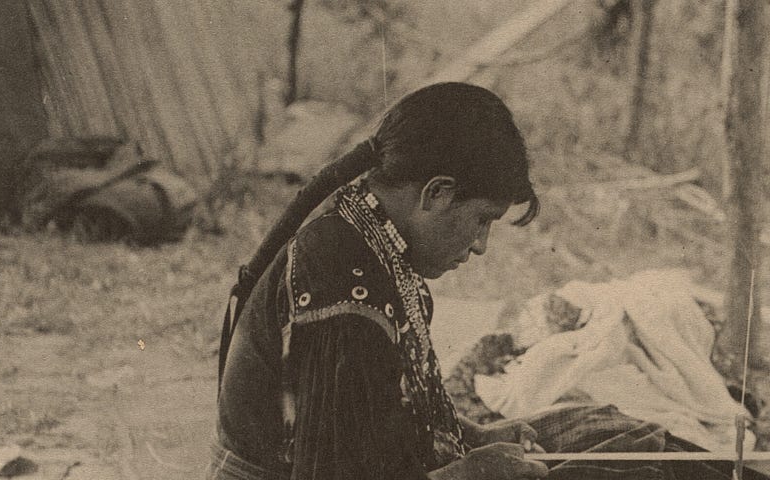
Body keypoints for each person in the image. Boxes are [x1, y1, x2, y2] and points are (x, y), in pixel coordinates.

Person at [211, 82, 549, 480]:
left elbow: (378, 409)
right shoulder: (338, 279)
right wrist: (468, 474)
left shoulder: (363, 235)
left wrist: (472, 437)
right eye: (482, 220)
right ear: (437, 193)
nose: (480, 246)